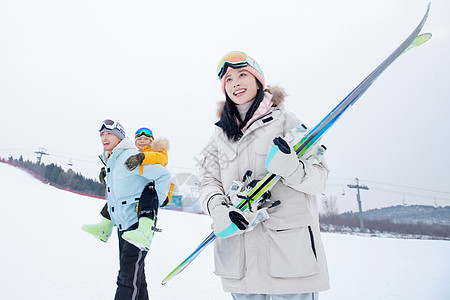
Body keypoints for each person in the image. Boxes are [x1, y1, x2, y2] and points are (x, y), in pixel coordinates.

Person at [199, 51, 330, 299]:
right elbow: (208, 181)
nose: (235, 82)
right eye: (228, 79)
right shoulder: (219, 135)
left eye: (242, 74)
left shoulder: (286, 122)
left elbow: (319, 179)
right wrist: (218, 209)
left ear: (258, 80)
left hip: (290, 263)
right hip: (240, 264)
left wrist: (291, 168)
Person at [83, 119, 171, 300]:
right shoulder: (113, 161)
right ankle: (104, 225)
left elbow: (164, 175)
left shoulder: (131, 157)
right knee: (137, 277)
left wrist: (155, 202)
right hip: (124, 224)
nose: (104, 138)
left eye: (109, 134)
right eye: (102, 134)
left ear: (120, 137)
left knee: (126, 278)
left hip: (138, 224)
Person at [82, 127, 172, 249]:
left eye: (146, 139)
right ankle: (104, 226)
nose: (142, 141)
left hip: (157, 190)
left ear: (152, 141)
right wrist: (106, 170)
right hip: (142, 189)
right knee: (116, 195)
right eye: (139, 139)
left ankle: (144, 231)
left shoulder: (158, 151)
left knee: (147, 195)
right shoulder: (133, 154)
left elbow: (160, 159)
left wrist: (141, 157)